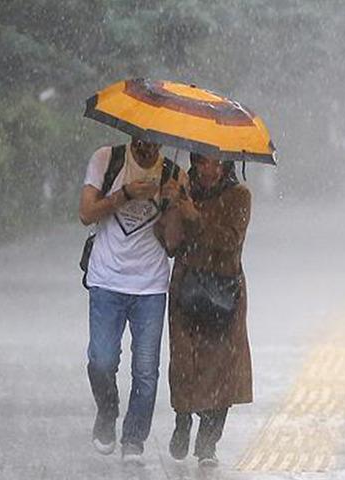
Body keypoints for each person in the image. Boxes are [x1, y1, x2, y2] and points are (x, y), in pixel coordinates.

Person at [78, 137, 185, 465]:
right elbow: (86, 213)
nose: (149, 149)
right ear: (133, 134)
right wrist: (125, 194)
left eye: (156, 143)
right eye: (143, 141)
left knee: (145, 369)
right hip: (106, 280)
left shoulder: (174, 173)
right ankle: (107, 411)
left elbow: (174, 244)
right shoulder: (106, 159)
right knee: (102, 360)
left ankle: (134, 439)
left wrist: (174, 203)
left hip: (150, 285)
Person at [157, 152, 253, 467]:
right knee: (184, 360)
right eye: (201, 161)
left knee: (222, 369)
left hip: (224, 290)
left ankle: (208, 443)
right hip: (187, 286)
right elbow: (169, 243)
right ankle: (183, 419)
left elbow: (228, 239)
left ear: (226, 165)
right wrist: (171, 206)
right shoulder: (182, 187)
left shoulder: (239, 196)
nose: (207, 169)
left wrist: (193, 213)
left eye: (215, 162)